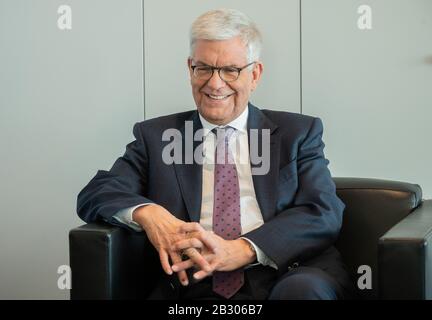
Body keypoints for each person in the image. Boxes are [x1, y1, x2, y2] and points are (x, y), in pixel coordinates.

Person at [77, 8, 353, 300]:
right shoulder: (156, 137)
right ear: (190, 69)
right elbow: (97, 192)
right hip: (195, 281)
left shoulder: (297, 133)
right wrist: (149, 213)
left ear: (254, 74)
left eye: (230, 70)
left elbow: (322, 212)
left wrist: (242, 250)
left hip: (285, 273)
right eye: (204, 68)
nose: (215, 83)